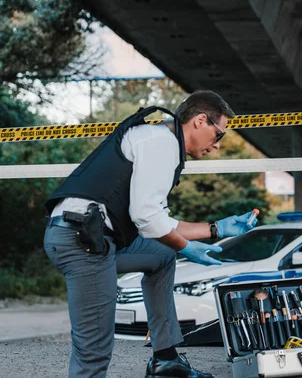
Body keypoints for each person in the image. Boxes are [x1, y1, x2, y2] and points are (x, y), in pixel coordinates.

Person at [43, 90, 257, 378]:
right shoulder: (161, 142)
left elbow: (159, 221)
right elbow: (147, 219)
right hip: (82, 242)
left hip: (91, 236)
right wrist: (185, 246)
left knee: (162, 255)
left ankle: (165, 359)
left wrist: (216, 227)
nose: (217, 145)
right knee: (94, 350)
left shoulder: (159, 139)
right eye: (219, 135)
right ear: (200, 121)